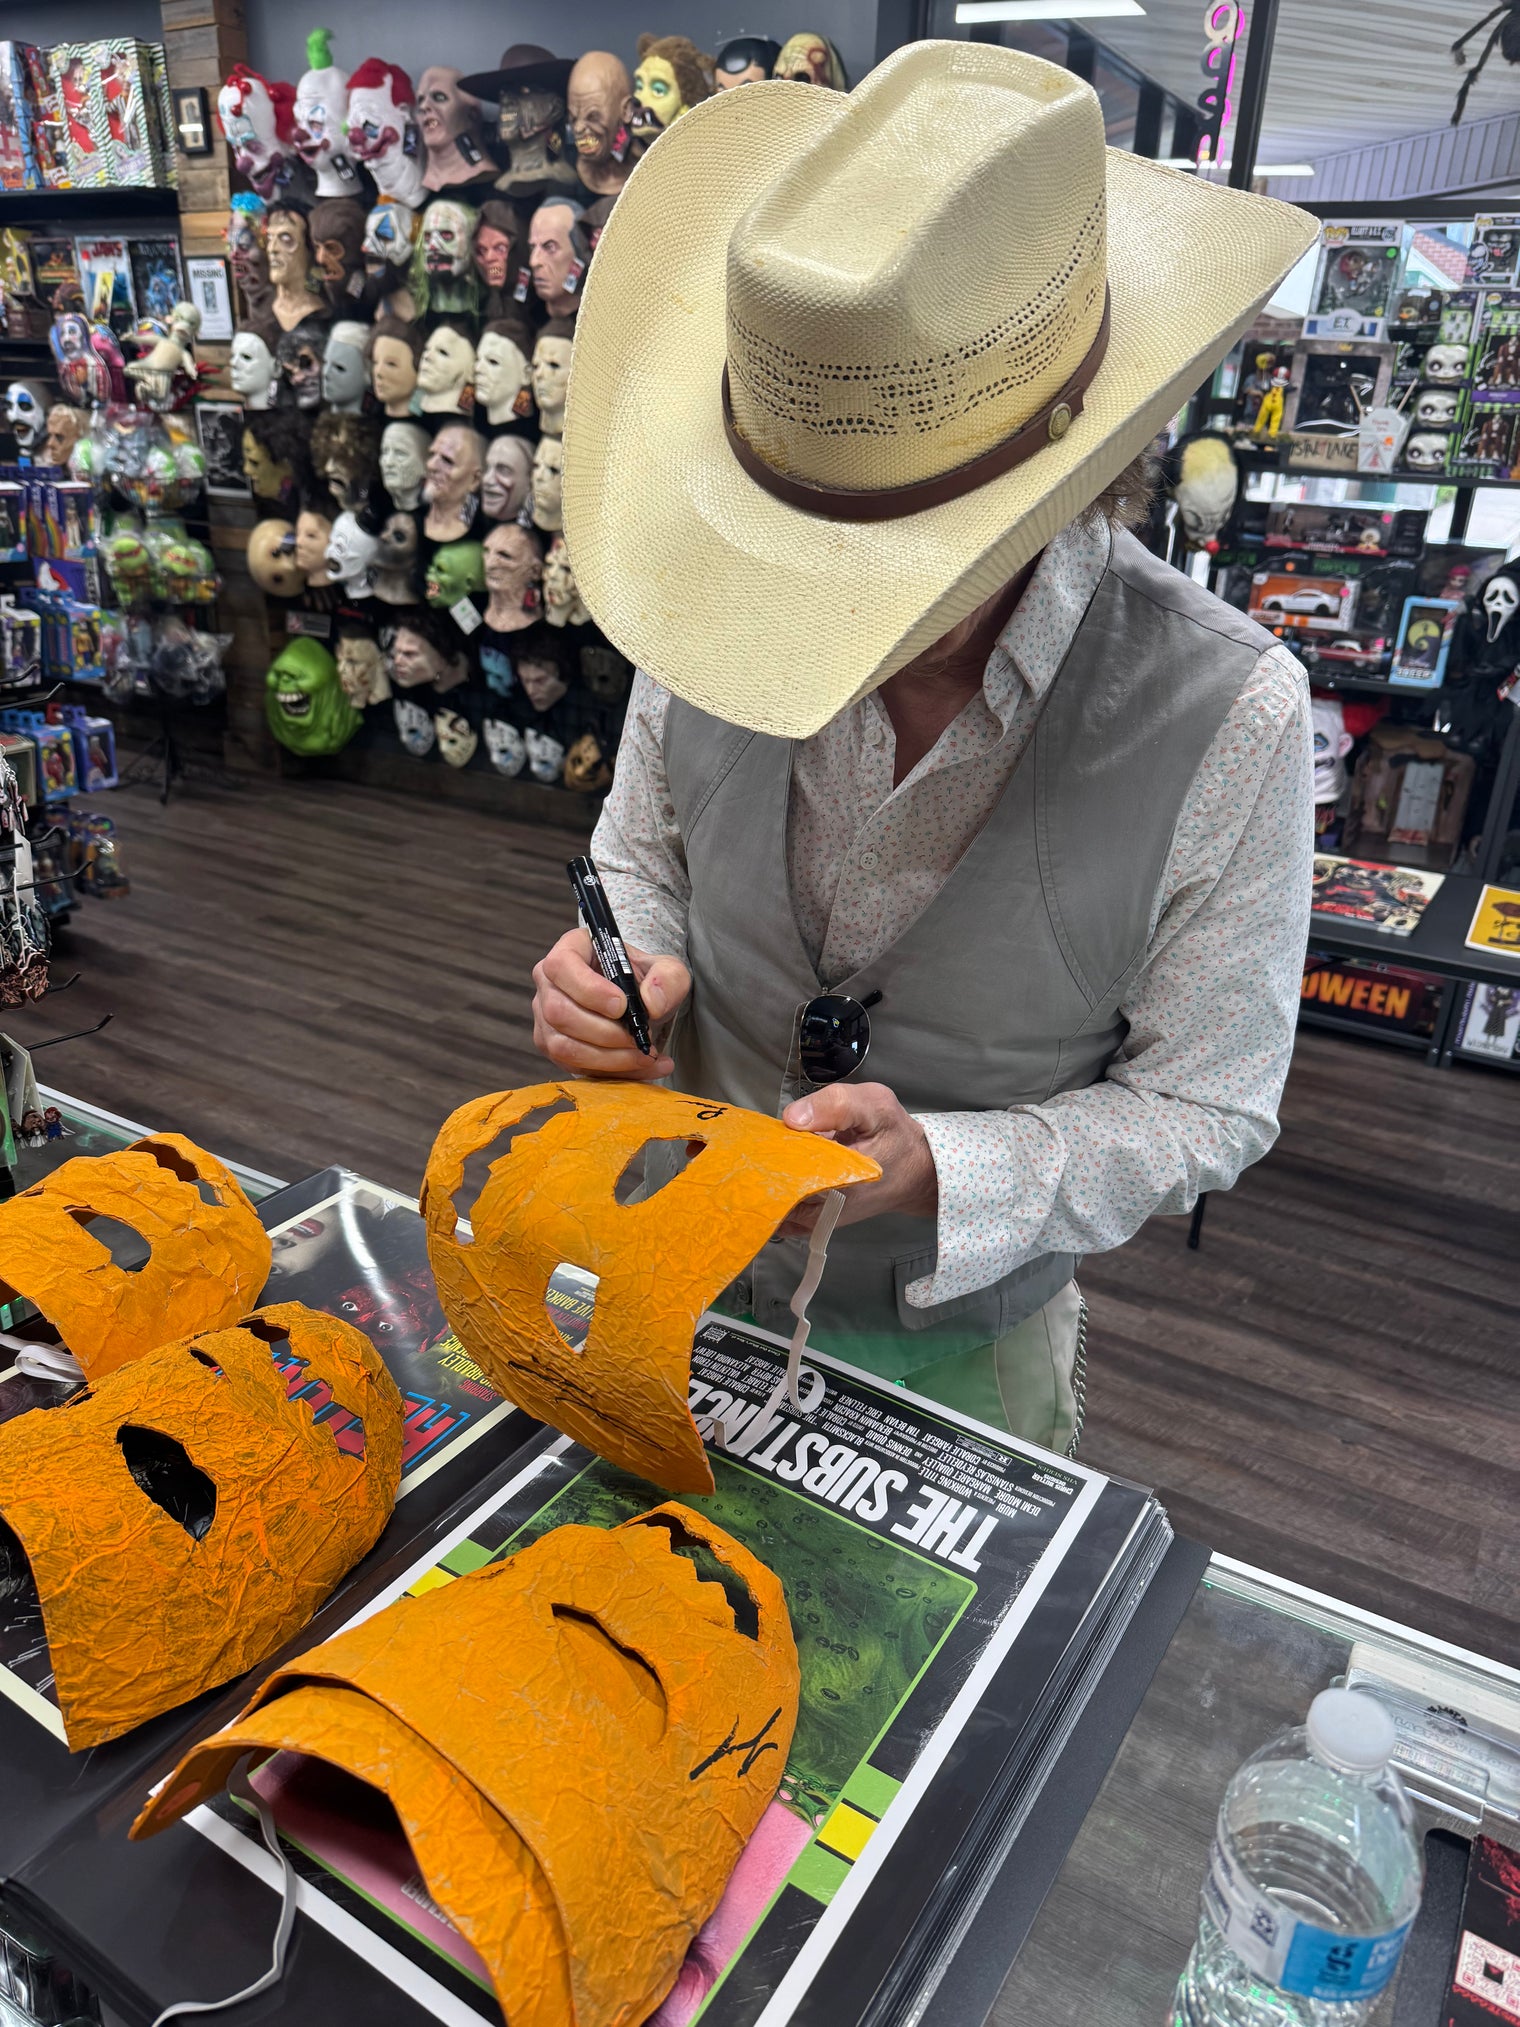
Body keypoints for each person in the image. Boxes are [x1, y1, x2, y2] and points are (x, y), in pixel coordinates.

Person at [530, 40, 1319, 1452]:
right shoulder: (705, 601)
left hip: (966, 1355)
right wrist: (613, 971)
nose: (820, 615)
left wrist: (952, 1167)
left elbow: (1209, 1100)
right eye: (794, 547)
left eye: (897, 565)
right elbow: (638, 857)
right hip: (676, 1277)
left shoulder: (1228, 717)